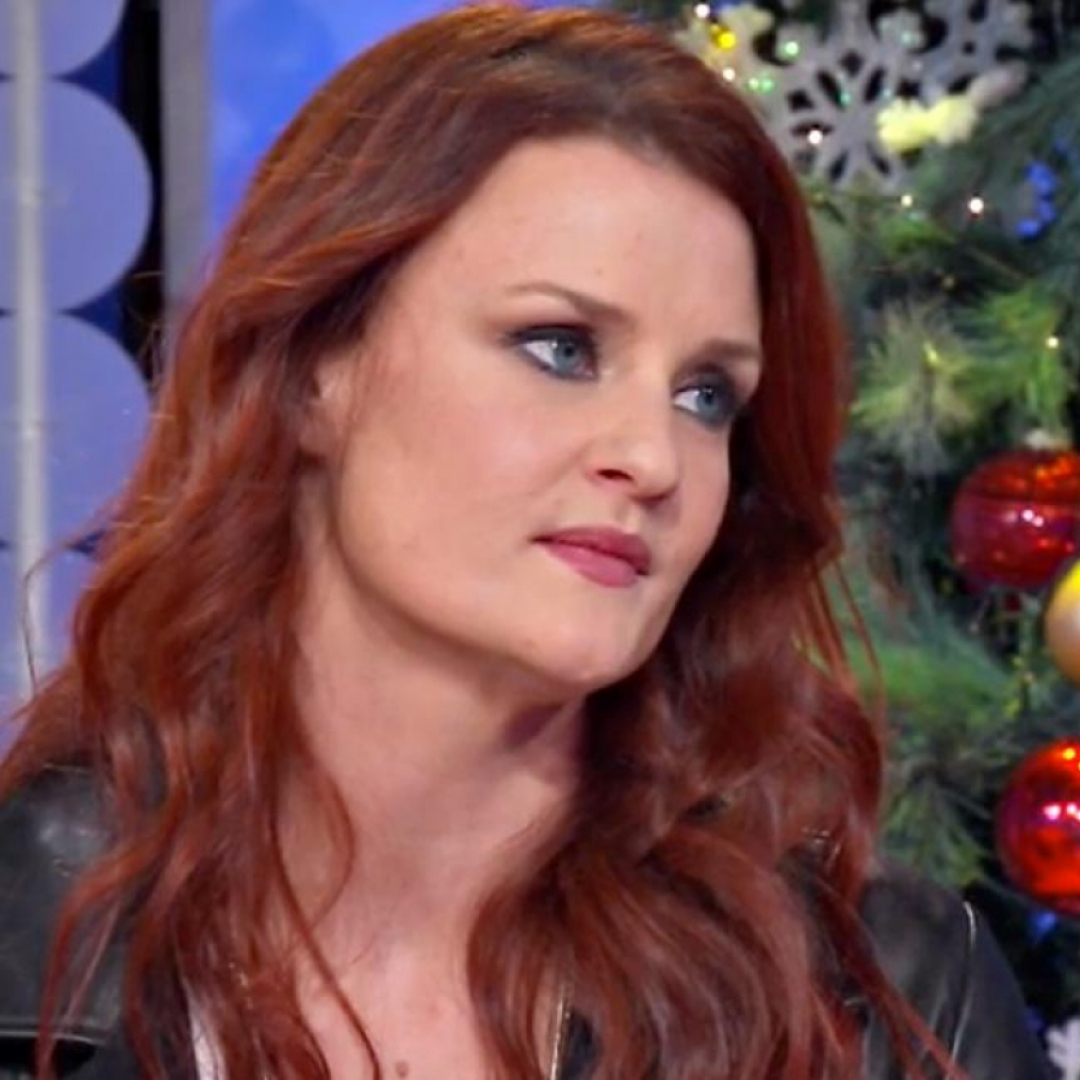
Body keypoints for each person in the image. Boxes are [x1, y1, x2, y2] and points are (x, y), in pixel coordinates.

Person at [0, 5, 1050, 1079]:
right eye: (560, 348)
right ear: (313, 366)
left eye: (706, 396)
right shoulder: (27, 940)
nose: (653, 457)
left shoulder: (895, 1001)